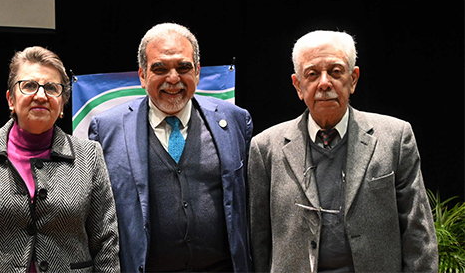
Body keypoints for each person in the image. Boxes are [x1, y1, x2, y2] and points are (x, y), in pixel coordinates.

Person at [248, 30, 438, 272]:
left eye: (336, 72)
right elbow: (259, 242)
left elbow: (418, 232)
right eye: (313, 74)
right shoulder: (265, 148)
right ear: (298, 85)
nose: (325, 82)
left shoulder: (395, 138)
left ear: (353, 79)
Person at [89, 22, 253, 272]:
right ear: (143, 75)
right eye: (160, 68)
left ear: (197, 71)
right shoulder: (107, 129)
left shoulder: (235, 121)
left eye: (184, 67)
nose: (173, 78)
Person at [0, 46, 120, 272]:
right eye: (29, 85)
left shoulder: (89, 155)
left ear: (62, 102)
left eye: (51, 88)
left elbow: (105, 241)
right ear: (11, 99)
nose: (41, 96)